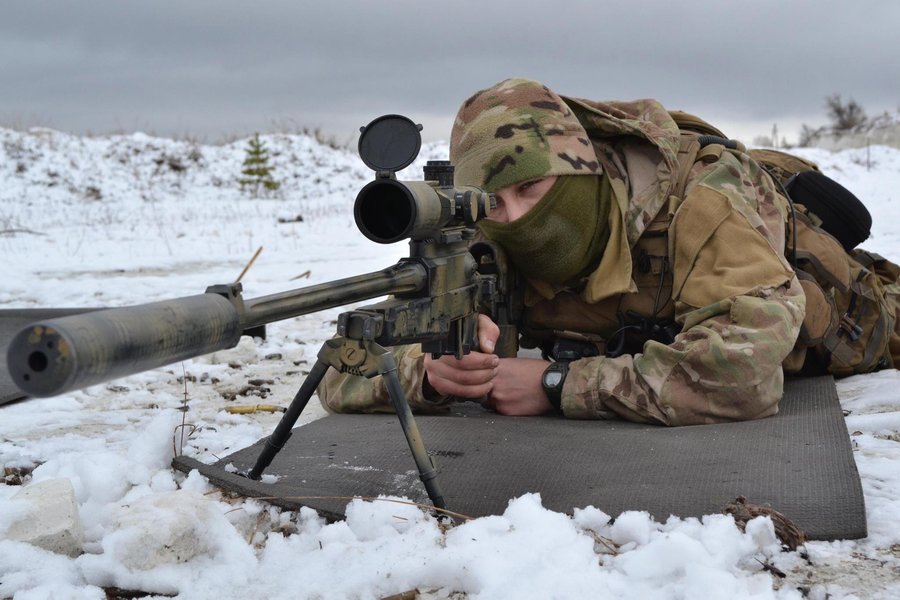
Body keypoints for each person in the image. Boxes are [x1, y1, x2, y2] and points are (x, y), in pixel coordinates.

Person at [318, 77, 843, 426]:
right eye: (494, 202)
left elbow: (745, 378)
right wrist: (429, 374)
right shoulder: (484, 236)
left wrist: (557, 385)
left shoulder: (702, 200)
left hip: (848, 326)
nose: (517, 218)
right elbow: (341, 369)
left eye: (531, 187)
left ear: (581, 168)